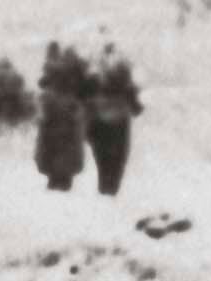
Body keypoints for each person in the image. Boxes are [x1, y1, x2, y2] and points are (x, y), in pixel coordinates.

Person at [85, 45, 143, 196]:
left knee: (102, 159)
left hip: (99, 120)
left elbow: (86, 97)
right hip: (120, 121)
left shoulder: (95, 74)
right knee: (117, 159)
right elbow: (136, 107)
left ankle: (104, 187)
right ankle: (111, 189)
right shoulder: (124, 74)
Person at [35, 44, 89, 192]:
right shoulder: (72, 78)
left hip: (56, 113)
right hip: (66, 113)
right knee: (66, 146)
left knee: (54, 147)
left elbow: (44, 83)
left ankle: (56, 180)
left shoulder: (50, 91)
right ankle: (61, 180)